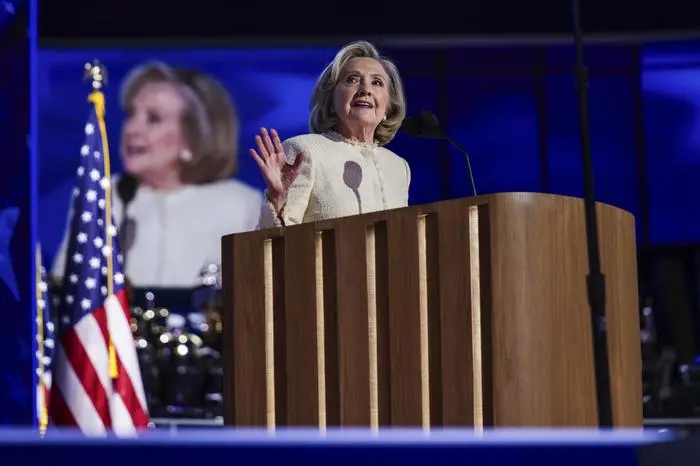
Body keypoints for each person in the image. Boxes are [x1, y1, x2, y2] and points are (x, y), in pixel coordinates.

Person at [52, 62, 263, 288]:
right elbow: (65, 289)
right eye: (131, 115)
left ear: (192, 137)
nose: (132, 129)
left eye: (154, 119)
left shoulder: (241, 206)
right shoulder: (105, 196)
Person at [251, 40, 410, 228]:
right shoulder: (305, 150)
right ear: (331, 98)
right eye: (352, 79)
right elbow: (276, 244)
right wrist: (277, 199)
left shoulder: (399, 167)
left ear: (388, 106)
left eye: (377, 82)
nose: (365, 90)